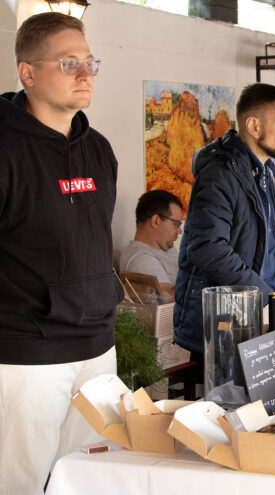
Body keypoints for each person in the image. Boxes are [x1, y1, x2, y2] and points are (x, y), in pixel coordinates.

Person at [0, 13, 122, 495]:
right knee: (19, 482)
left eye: (91, 62)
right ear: (28, 73)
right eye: (69, 62)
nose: (85, 73)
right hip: (27, 353)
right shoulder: (6, 148)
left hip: (97, 347)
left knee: (89, 479)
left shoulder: (100, 150)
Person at [174, 83, 275, 355]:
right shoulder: (219, 174)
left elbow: (273, 250)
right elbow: (207, 248)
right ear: (254, 126)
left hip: (267, 318)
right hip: (227, 328)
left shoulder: (270, 174)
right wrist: (264, 297)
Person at [119, 190, 184, 301]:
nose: (180, 231)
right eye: (176, 224)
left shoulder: (167, 247)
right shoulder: (141, 258)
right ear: (156, 221)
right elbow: (168, 299)